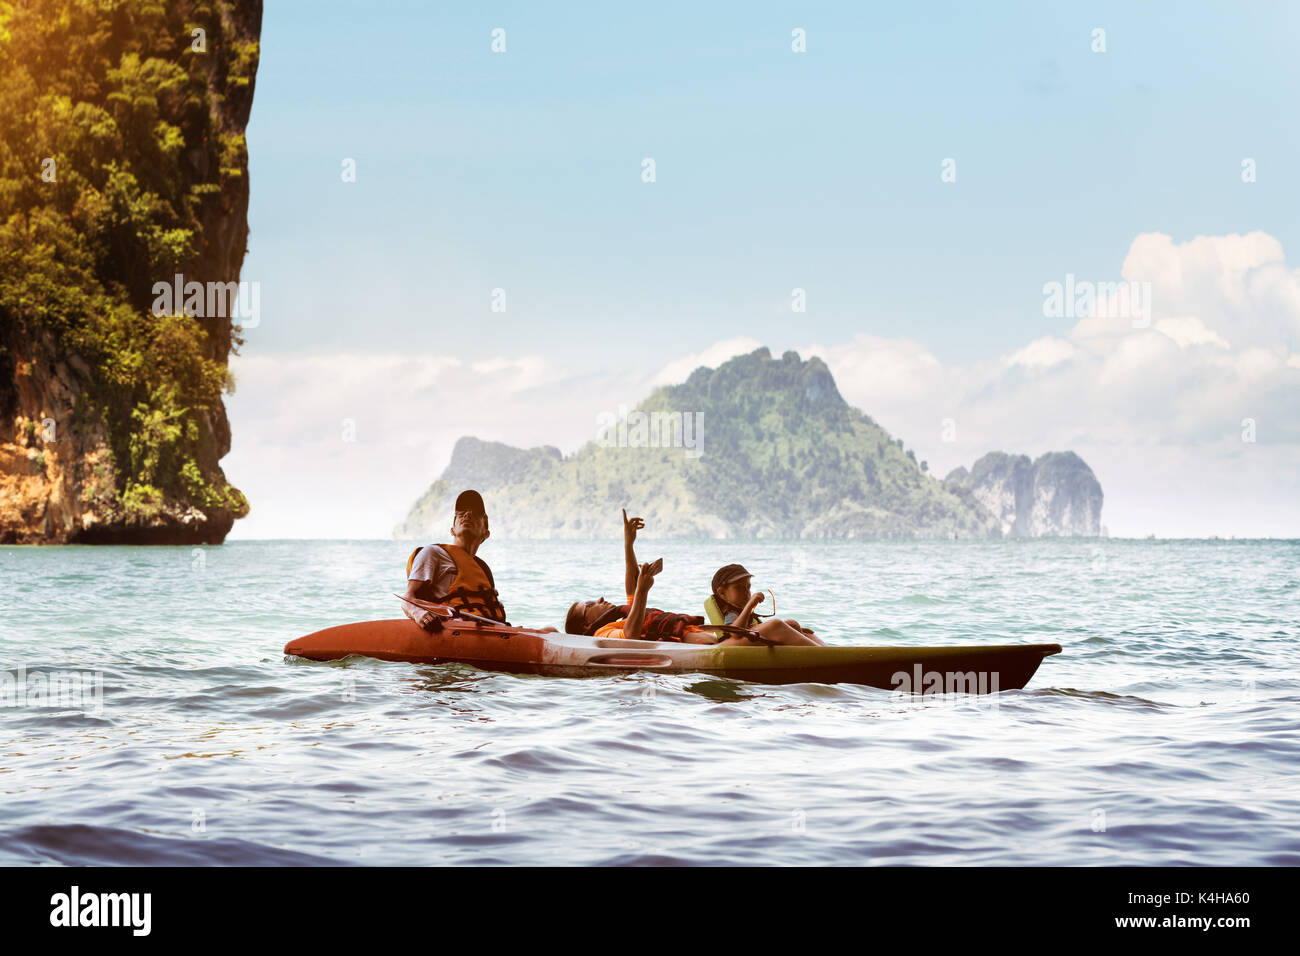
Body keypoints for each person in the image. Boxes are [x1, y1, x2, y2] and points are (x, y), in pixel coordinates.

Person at [564, 510, 820, 646]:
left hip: (712, 638)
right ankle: (829, 661)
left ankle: (834, 654)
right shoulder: (603, 633)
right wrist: (643, 591)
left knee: (795, 625)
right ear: (587, 626)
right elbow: (630, 635)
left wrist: (628, 543)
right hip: (713, 649)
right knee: (775, 626)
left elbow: (632, 588)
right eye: (588, 606)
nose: (598, 598)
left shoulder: (621, 617)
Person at [401, 489, 509, 629]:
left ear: (486, 533)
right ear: (452, 529)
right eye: (460, 513)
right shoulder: (433, 553)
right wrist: (419, 614)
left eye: (476, 513)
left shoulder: (483, 570)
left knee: (547, 631)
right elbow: (407, 598)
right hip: (452, 631)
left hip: (488, 632)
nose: (467, 514)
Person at [707, 564, 824, 645]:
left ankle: (825, 650)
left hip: (748, 638)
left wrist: (792, 630)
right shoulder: (730, 612)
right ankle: (822, 655)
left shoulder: (740, 610)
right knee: (775, 624)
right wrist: (751, 604)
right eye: (739, 588)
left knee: (791, 623)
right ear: (722, 593)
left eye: (748, 587)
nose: (746, 592)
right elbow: (735, 633)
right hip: (732, 643)